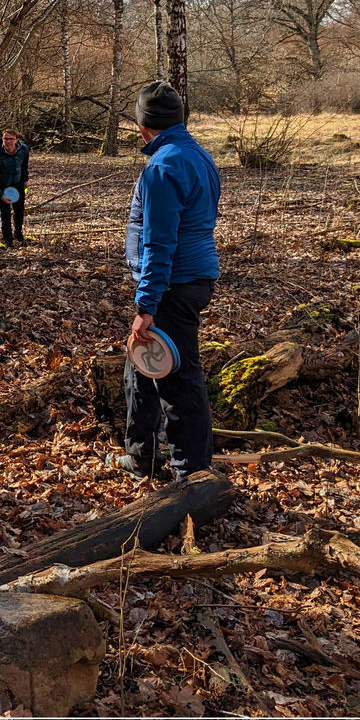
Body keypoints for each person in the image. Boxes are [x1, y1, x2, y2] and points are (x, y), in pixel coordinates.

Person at [120, 80, 221, 481]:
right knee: (141, 367)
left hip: (172, 285)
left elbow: (159, 242)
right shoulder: (197, 154)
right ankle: (140, 455)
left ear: (143, 124)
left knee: (179, 381)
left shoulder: (162, 167)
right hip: (185, 279)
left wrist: (147, 305)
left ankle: (191, 476)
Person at [0, 128, 30, 247]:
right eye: (5, 139)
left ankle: (18, 235)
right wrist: (0, 194)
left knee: (19, 211)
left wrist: (25, 179)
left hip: (17, 184)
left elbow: (24, 166)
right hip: (1, 186)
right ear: (2, 139)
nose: (8, 142)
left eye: (11, 139)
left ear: (17, 140)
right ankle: (8, 240)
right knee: (5, 212)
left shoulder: (23, 149)